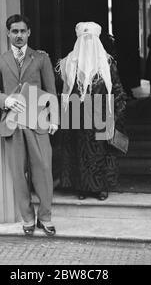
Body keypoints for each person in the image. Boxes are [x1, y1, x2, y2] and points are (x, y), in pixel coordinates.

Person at [0, 14, 59, 236]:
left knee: (44, 170)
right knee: (19, 173)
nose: (19, 35)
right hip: (12, 122)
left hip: (38, 122)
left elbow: (51, 90)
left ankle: (45, 217)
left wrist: (54, 117)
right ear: (8, 33)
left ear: (29, 33)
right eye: (14, 31)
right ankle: (27, 218)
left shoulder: (40, 58)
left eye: (22, 31)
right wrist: (5, 100)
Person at [53, 22, 127, 201]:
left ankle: (100, 187)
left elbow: (118, 91)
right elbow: (57, 91)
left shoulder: (107, 64)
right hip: (76, 114)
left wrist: (116, 116)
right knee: (79, 151)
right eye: (84, 40)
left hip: (101, 113)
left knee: (100, 152)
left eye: (91, 39)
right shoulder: (66, 64)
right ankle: (81, 187)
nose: (87, 44)